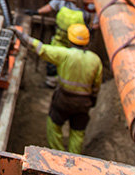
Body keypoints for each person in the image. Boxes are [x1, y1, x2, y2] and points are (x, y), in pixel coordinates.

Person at [15, 23, 102, 154]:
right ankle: (75, 158)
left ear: (70, 39)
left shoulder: (65, 54)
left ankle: (58, 154)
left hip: (64, 99)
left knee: (53, 125)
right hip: (83, 103)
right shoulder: (95, 60)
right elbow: (97, 85)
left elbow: (41, 49)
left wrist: (22, 35)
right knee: (78, 132)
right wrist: (93, 99)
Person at [31, 0, 92, 87]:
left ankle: (66, 84)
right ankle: (51, 82)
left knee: (71, 65)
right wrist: (36, 12)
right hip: (60, 39)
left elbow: (95, 22)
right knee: (52, 60)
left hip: (77, 44)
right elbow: (50, 7)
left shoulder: (90, 6)